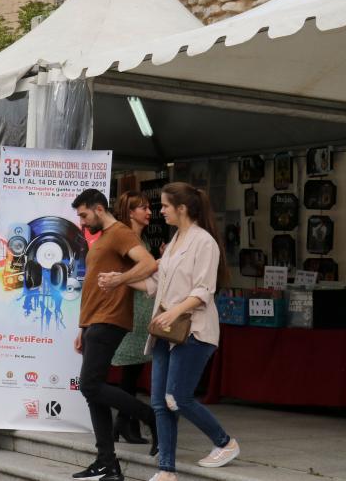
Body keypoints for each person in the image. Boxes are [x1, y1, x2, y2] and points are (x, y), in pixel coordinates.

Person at [100, 183, 240, 479]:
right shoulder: (176, 239)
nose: (159, 211)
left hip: (193, 332)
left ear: (182, 208)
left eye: (164, 206)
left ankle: (224, 442)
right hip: (166, 331)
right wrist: (119, 280)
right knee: (160, 402)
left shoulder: (204, 243)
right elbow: (154, 285)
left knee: (177, 397)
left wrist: (174, 312)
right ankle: (166, 470)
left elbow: (204, 290)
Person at [70, 189, 158, 481]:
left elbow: (149, 263)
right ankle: (106, 462)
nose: (82, 222)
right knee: (94, 392)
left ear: (98, 208)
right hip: (95, 321)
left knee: (90, 386)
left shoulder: (120, 233)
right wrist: (82, 326)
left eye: (84, 215)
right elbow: (92, 287)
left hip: (110, 319)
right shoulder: (102, 237)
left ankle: (150, 417)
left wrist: (121, 279)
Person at [111, 191, 155, 445]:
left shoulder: (138, 239)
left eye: (149, 207)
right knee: (130, 373)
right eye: (143, 208)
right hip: (133, 311)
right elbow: (127, 275)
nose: (149, 212)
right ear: (130, 212)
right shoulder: (128, 240)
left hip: (141, 310)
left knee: (133, 372)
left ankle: (125, 424)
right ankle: (127, 425)